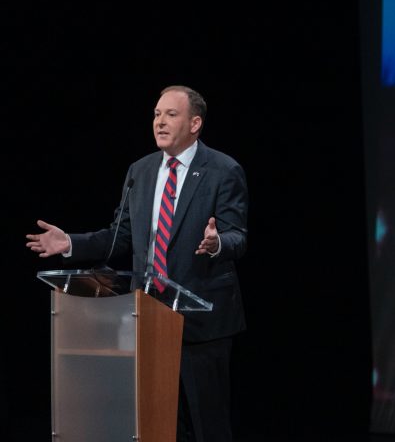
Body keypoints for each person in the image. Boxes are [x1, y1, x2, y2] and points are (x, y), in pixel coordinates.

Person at [26, 85, 248, 442]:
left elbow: (237, 235)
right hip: (145, 318)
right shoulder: (140, 171)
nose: (159, 122)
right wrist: (71, 243)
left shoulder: (223, 169)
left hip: (203, 322)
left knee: (208, 426)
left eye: (170, 115)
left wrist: (217, 242)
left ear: (195, 123)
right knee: (155, 424)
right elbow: (120, 236)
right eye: (157, 114)